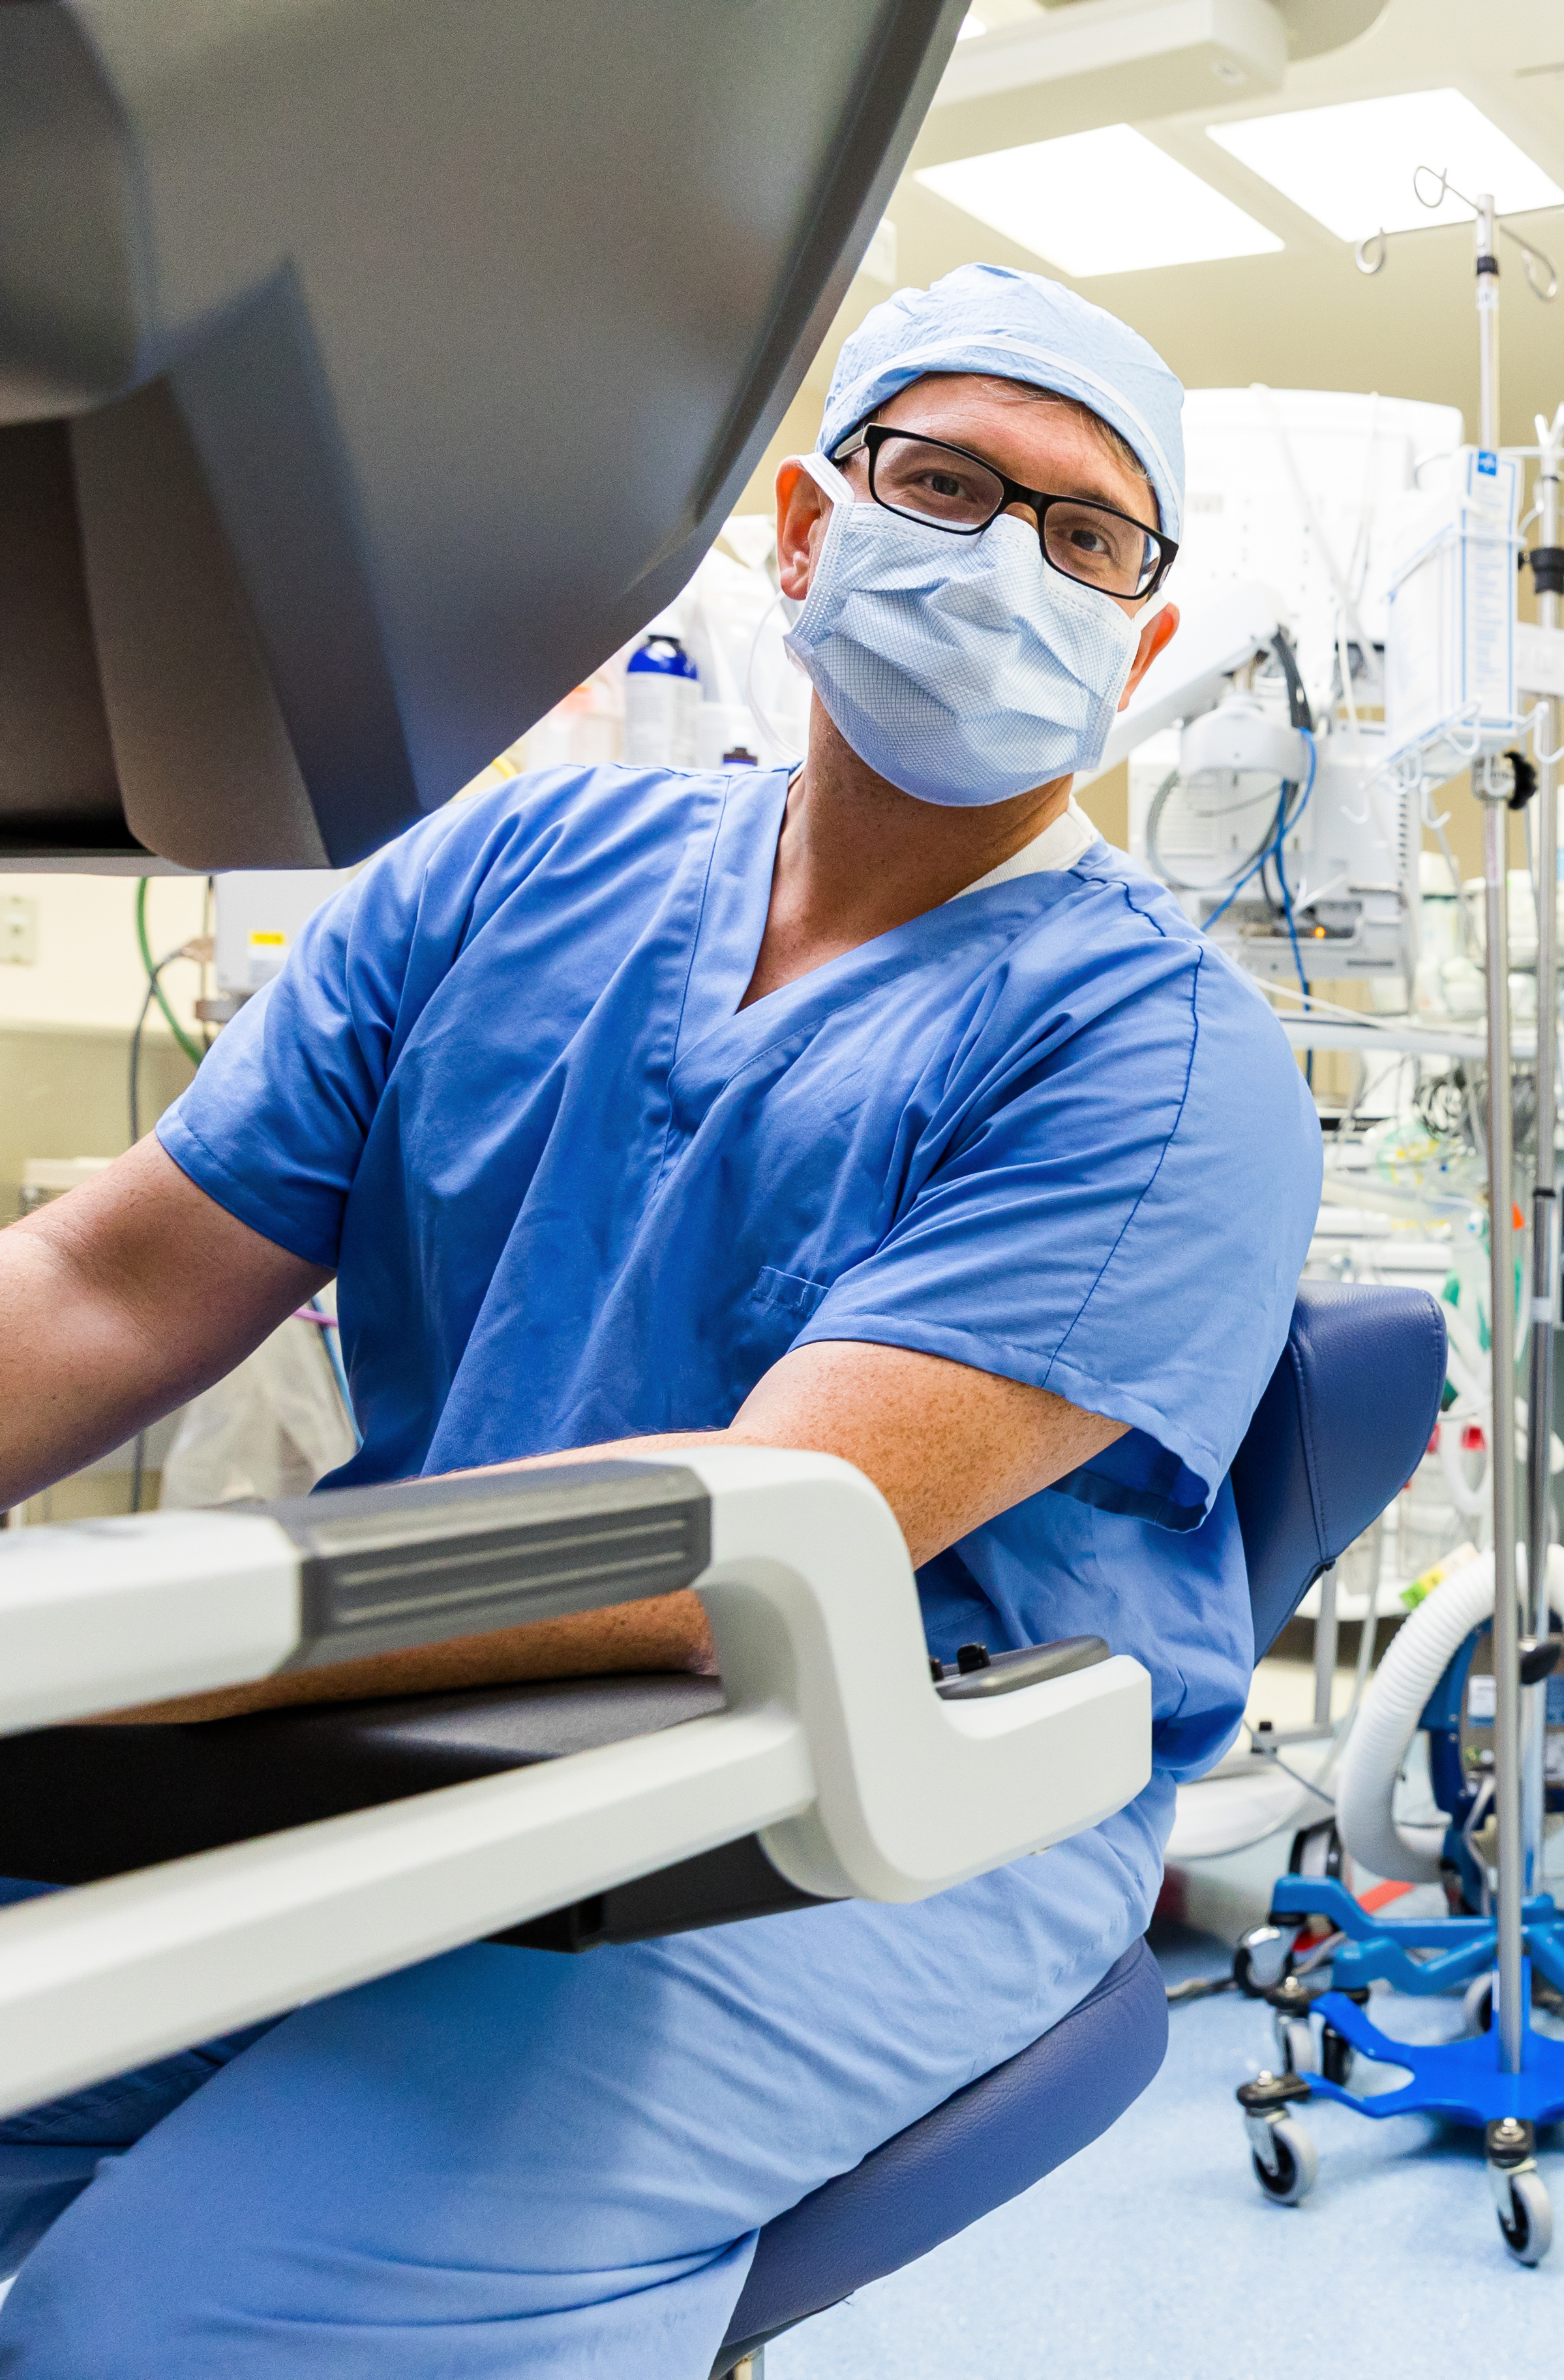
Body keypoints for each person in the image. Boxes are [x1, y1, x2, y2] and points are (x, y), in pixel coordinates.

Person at [0, 265, 1317, 2372]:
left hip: (879, 1803)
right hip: (393, 1716)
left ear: (1140, 637)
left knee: (144, 2333)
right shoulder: (508, 874)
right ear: (806, 530)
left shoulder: (1153, 1055)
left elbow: (732, 1562)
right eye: (945, 484)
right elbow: (103, 1275)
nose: (1008, 567)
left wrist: (122, 1659)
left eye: (1085, 535)